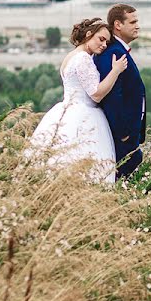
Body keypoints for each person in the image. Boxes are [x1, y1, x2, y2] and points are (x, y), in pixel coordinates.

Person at [28, 18, 128, 183]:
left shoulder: (70, 56)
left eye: (107, 42)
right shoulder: (83, 58)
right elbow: (96, 94)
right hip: (84, 115)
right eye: (101, 39)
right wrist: (115, 71)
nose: (104, 45)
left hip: (66, 110)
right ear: (89, 34)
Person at [94, 4, 147, 179]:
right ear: (118, 24)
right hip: (121, 138)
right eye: (133, 22)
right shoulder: (113, 52)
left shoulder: (118, 49)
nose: (137, 26)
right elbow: (112, 95)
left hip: (128, 136)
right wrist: (124, 133)